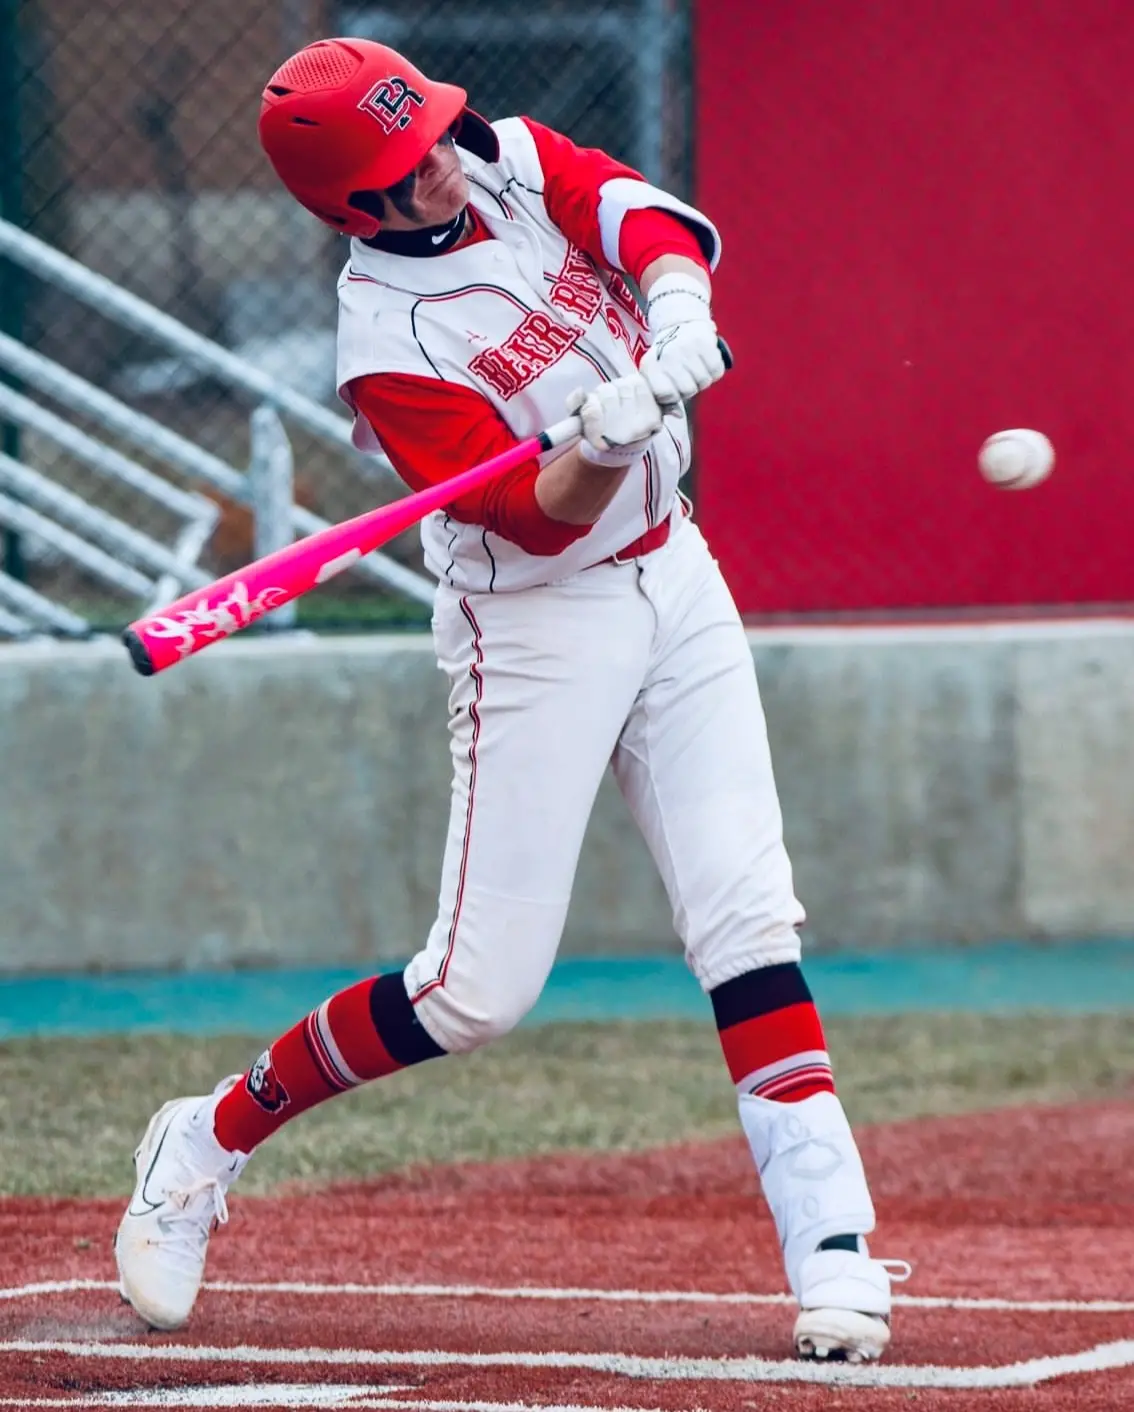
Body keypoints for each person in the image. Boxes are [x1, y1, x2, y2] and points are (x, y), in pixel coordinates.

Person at [114, 36, 907, 1361]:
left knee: (747, 915)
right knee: (472, 994)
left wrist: (674, 309)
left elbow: (633, 211)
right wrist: (601, 439)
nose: (437, 160)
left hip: (675, 572)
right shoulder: (388, 342)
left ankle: (833, 1250)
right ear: (351, 205)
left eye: (429, 130)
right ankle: (204, 1139)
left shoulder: (501, 156)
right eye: (403, 159)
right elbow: (533, 518)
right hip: (536, 623)